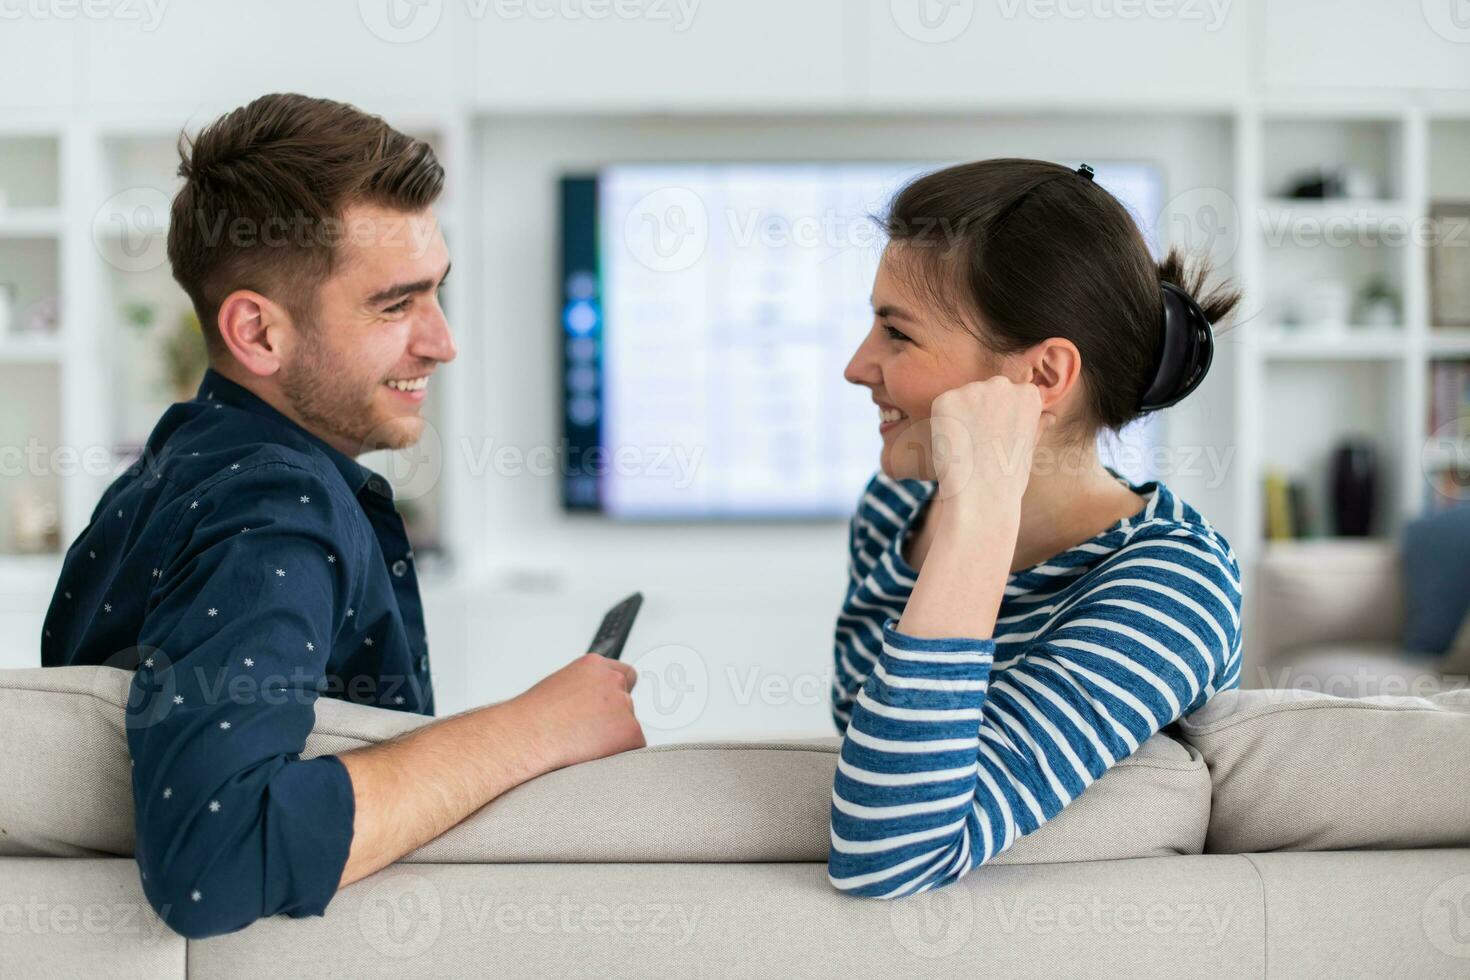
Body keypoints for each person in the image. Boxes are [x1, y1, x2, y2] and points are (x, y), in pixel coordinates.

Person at [40, 93, 645, 938]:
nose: (441, 341)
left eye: (437, 293)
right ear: (257, 332)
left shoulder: (163, 476)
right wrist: (532, 729)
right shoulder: (270, 507)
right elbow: (212, 861)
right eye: (395, 305)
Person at [828, 159, 1243, 898]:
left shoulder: (1175, 587)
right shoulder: (895, 513)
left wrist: (979, 511)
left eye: (897, 333)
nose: (858, 367)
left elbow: (888, 853)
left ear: (1044, 376)